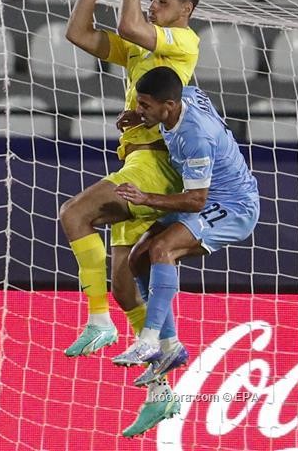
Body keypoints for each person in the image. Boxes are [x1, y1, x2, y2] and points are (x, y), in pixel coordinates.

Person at [60, 0, 202, 432]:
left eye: (161, 1)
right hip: (133, 159)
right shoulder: (139, 49)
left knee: (74, 213)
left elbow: (130, 22)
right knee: (125, 284)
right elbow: (78, 34)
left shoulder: (181, 41)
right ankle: (162, 388)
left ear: (184, 9)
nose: (152, 6)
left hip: (156, 162)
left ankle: (97, 321)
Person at [111, 66, 260, 435]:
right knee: (137, 259)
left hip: (234, 206)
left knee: (162, 248)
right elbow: (179, 99)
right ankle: (171, 346)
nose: (141, 109)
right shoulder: (183, 99)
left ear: (169, 105)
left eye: (146, 105)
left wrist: (145, 197)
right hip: (211, 196)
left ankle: (150, 341)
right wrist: (141, 118)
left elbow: (196, 200)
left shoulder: (194, 136)